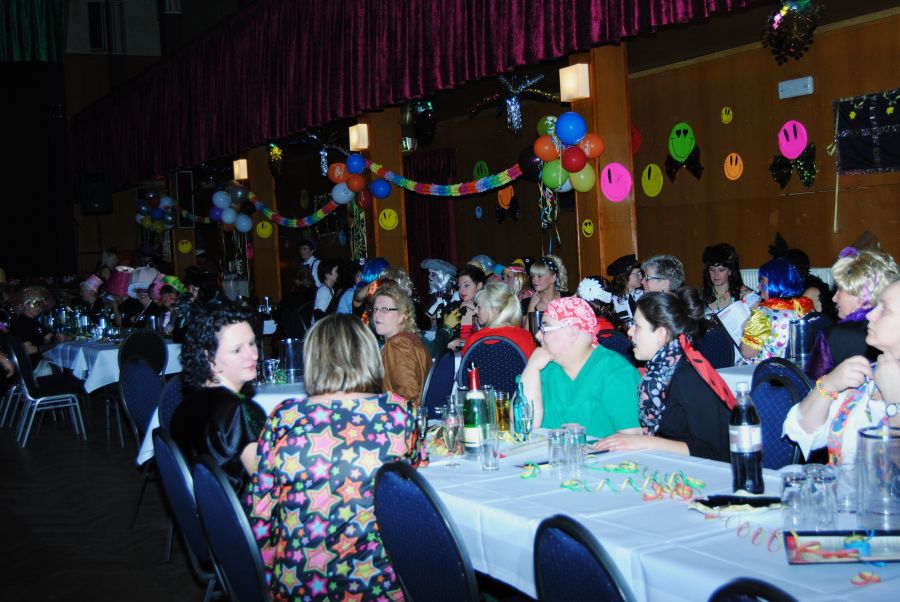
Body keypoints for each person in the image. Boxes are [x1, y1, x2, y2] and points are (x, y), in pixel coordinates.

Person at [247, 314, 420, 600]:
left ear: (313, 360)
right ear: (369, 356)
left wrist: (266, 580)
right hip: (378, 586)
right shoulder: (398, 414)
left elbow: (261, 510)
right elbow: (416, 493)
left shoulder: (285, 417)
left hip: (298, 583)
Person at [594, 289, 735, 461]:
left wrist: (643, 442)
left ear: (660, 334)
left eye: (637, 325)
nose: (629, 332)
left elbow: (714, 452)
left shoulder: (687, 377)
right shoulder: (659, 373)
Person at [783, 276, 900, 466]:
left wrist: (895, 402)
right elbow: (800, 429)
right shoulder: (867, 375)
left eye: (884, 309)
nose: (870, 315)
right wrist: (828, 385)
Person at [169, 306, 265, 492]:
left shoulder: (183, 408)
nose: (253, 355)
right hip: (244, 508)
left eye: (252, 343)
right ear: (209, 358)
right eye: (237, 350)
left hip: (208, 509)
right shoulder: (240, 410)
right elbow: (268, 480)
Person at [522, 297, 641, 438]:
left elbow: (632, 437)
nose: (537, 335)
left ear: (572, 332)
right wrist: (531, 368)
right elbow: (524, 425)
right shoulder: (545, 366)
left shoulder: (615, 372)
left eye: (544, 328)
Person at [807, 248, 897, 381]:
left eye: (840, 290)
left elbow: (811, 385)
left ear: (863, 294)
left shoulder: (835, 335)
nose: (834, 298)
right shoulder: (893, 332)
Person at [739, 258, 814, 364]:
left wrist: (746, 328)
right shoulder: (805, 305)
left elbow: (747, 352)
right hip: (801, 369)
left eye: (762, 282)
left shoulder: (763, 313)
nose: (758, 287)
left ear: (776, 283)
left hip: (768, 371)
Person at [372, 282, 432, 407]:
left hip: (403, 418)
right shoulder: (409, 340)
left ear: (402, 316)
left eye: (385, 309)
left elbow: (407, 394)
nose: (377, 314)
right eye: (375, 309)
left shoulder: (397, 345)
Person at [461, 282, 536, 358]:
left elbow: (465, 364)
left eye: (479, 307)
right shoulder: (524, 337)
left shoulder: (475, 340)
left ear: (494, 310)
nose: (475, 310)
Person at [700, 243, 752, 314]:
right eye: (712, 269)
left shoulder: (743, 294)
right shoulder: (701, 297)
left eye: (721, 270)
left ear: (730, 271)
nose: (716, 274)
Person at [445, 264, 486, 351]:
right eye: (459, 286)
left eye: (466, 285)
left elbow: (489, 340)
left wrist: (461, 342)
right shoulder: (452, 308)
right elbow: (444, 342)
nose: (461, 290)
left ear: (479, 286)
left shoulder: (488, 310)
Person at [607, 254, 643, 327]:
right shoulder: (613, 301)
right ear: (625, 277)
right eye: (637, 274)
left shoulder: (643, 294)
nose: (641, 276)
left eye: (640, 273)